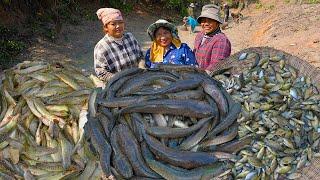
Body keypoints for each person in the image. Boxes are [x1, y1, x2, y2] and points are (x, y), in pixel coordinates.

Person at [94, 8, 144, 81]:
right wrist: (119, 79)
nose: (118, 26)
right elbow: (101, 73)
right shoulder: (102, 46)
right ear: (106, 27)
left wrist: (141, 67)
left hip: (137, 79)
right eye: (113, 24)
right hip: (118, 85)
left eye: (120, 22)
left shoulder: (130, 37)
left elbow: (140, 56)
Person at [194, 4, 231, 72]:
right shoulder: (200, 35)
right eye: (203, 20)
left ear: (217, 23)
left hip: (208, 79)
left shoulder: (221, 41)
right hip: (196, 74)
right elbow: (195, 54)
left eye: (210, 21)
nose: (206, 24)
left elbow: (216, 65)